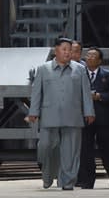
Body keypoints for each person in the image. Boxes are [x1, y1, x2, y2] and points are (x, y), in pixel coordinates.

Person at [27, 37, 95, 190]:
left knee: (71, 152)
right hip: (49, 116)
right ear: (56, 50)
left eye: (70, 49)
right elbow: (37, 92)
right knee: (45, 147)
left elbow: (86, 92)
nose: (67, 52)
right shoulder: (43, 69)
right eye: (64, 49)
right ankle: (48, 173)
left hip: (73, 116)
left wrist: (89, 111)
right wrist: (33, 111)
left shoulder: (80, 69)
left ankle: (67, 182)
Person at [77, 47, 109, 189]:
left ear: (100, 60)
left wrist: (100, 96)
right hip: (84, 119)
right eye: (87, 55)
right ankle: (88, 180)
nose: (89, 58)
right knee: (86, 150)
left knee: (107, 148)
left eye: (93, 56)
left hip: (103, 119)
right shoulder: (79, 74)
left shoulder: (108, 75)